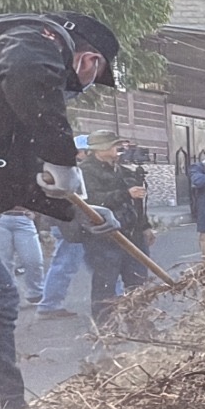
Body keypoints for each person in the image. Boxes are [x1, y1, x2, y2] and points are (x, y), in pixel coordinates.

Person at [0, 11, 121, 409]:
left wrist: (77, 212)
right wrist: (61, 153)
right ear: (90, 61)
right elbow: (27, 70)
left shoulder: (4, 106)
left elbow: (16, 176)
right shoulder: (34, 36)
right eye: (94, 77)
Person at [81, 130, 153, 323]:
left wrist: (145, 226)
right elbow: (92, 202)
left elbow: (136, 204)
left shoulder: (121, 170)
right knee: (105, 287)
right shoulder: (84, 172)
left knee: (137, 282)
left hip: (132, 233)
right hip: (104, 236)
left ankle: (139, 326)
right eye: (115, 145)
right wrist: (126, 193)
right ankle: (106, 332)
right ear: (101, 149)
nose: (119, 150)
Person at [37, 135, 93, 320]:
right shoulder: (70, 171)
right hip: (70, 224)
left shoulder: (67, 169)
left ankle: (50, 303)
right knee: (66, 263)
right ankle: (49, 304)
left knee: (71, 263)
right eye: (88, 151)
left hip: (70, 222)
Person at [0, 208, 44, 306]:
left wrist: (35, 212)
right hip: (0, 218)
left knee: (33, 260)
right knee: (4, 262)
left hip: (24, 218)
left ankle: (35, 294)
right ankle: (10, 296)